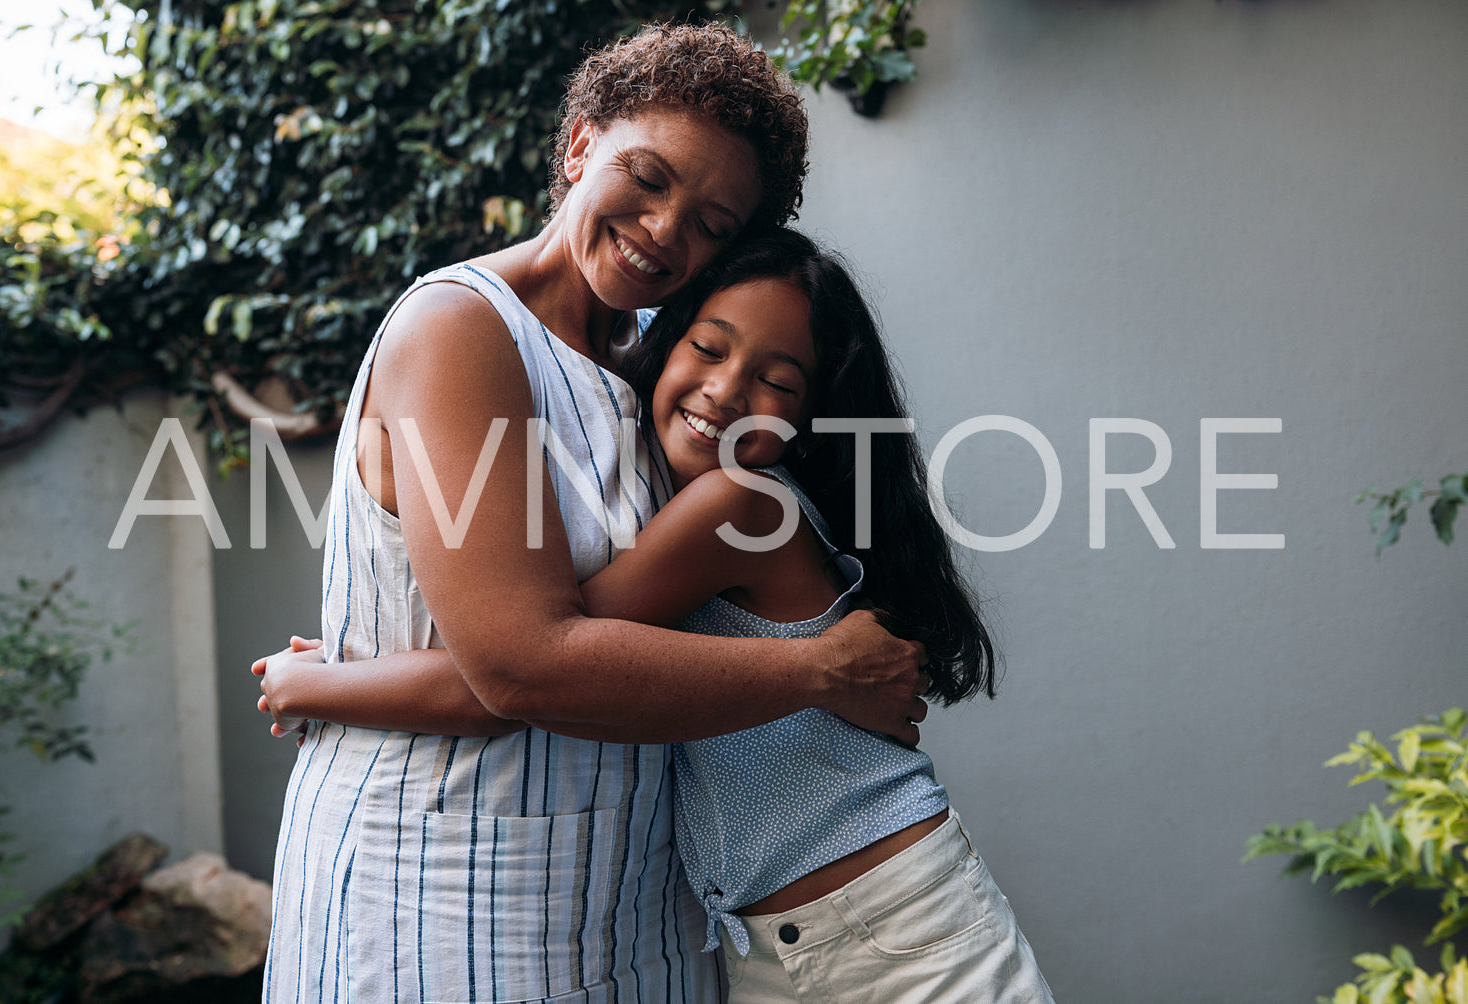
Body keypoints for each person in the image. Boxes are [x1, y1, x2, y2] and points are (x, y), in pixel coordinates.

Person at [255, 22, 929, 1004]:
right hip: (445, 893)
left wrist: (346, 673)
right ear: (578, 146)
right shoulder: (462, 329)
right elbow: (522, 660)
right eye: (646, 178)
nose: (665, 230)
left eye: (709, 223)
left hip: (631, 908)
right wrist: (819, 669)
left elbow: (609, 618)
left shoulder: (655, 378)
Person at [263, 226, 1056, 1001]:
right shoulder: (685, 501)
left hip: (890, 929)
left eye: (777, 383)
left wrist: (313, 686)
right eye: (709, 349)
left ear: (806, 419)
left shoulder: (734, 507)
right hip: (783, 941)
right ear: (666, 343)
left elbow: (522, 673)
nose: (725, 390)